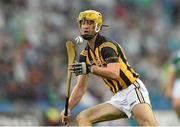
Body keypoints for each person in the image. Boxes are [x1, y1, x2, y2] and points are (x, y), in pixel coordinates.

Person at [60, 10, 158, 126]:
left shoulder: (107, 46)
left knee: (148, 125)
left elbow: (114, 73)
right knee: (83, 117)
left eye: (90, 23)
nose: (85, 27)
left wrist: (90, 68)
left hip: (132, 90)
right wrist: (68, 108)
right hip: (118, 97)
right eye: (83, 23)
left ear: (97, 26)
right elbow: (81, 87)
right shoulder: (85, 55)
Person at [165, 50, 180, 120]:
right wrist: (169, 88)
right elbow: (172, 72)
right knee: (176, 105)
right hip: (178, 81)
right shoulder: (177, 55)